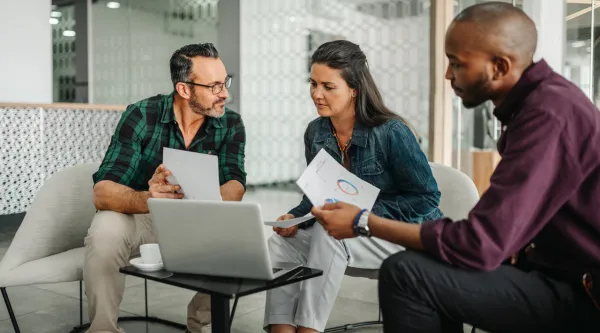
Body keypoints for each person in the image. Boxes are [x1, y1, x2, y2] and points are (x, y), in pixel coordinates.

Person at [311, 3, 600, 333]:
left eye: (456, 63)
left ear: (500, 67)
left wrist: (364, 221)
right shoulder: (538, 105)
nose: (448, 74)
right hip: (550, 270)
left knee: (406, 274)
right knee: (430, 263)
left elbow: (480, 244)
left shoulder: (549, 116)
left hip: (582, 293)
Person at [263, 40, 443, 333]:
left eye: (328, 86)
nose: (316, 94)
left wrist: (359, 214)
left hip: (401, 233)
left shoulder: (391, 132)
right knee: (283, 243)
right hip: (353, 234)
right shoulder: (316, 132)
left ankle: (309, 329)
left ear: (354, 89)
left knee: (328, 232)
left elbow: (427, 199)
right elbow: (316, 194)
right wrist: (294, 216)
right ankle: (281, 331)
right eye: (313, 84)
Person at [85, 43, 246, 333]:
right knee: (105, 229)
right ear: (184, 90)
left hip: (199, 218)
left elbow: (235, 184)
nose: (225, 93)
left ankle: (202, 323)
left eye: (225, 82)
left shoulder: (231, 124)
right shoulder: (141, 115)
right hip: (143, 218)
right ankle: (103, 330)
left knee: (239, 236)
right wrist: (149, 197)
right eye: (214, 86)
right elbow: (103, 191)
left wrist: (203, 196)